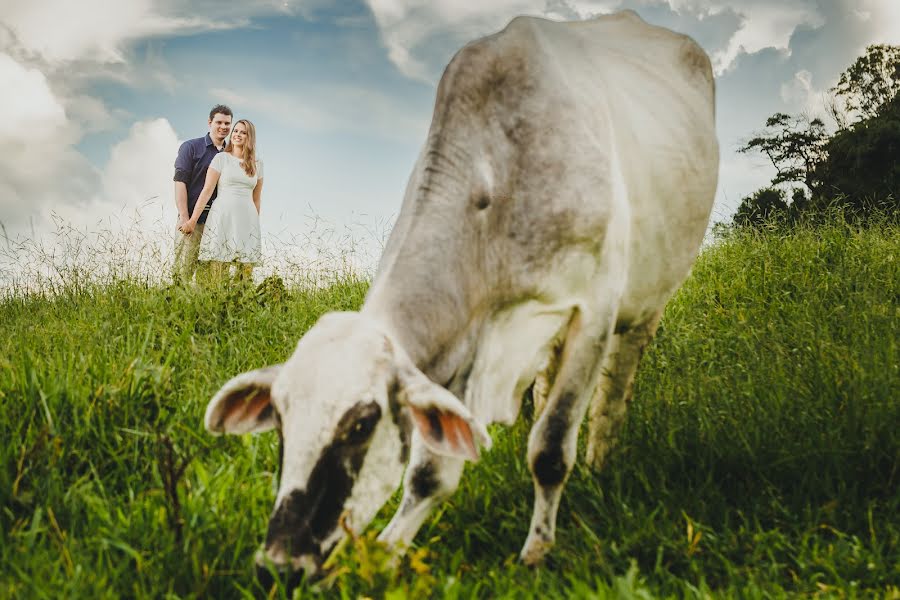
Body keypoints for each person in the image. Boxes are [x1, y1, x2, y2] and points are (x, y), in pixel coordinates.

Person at [180, 119, 263, 282]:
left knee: (245, 272)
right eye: (236, 131)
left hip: (247, 220)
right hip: (222, 217)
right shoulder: (221, 159)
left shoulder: (258, 164)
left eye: (243, 132)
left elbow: (257, 198)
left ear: (250, 137)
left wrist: (255, 226)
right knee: (218, 269)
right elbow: (207, 191)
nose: (238, 135)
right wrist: (192, 221)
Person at [172, 104, 233, 284]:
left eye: (227, 124)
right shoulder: (191, 147)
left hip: (219, 226)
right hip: (193, 221)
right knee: (182, 275)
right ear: (210, 122)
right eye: (219, 122)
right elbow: (180, 182)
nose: (223, 127)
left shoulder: (232, 155)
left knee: (209, 283)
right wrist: (184, 217)